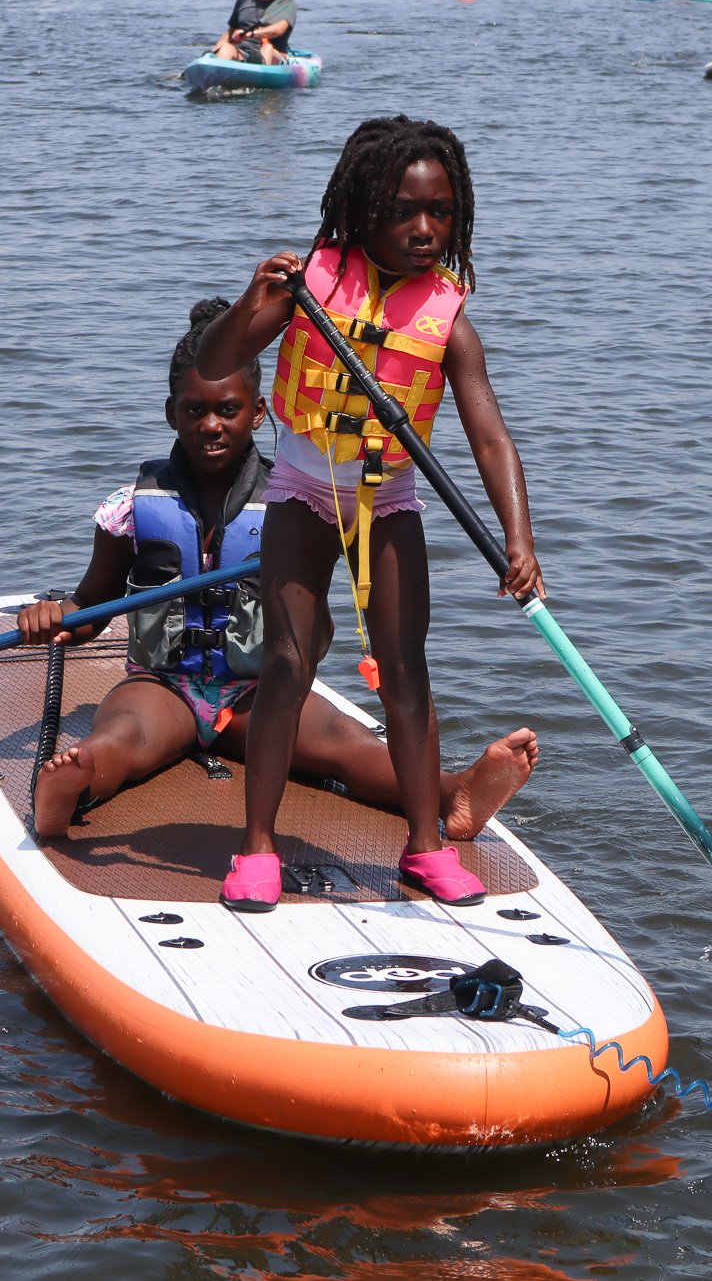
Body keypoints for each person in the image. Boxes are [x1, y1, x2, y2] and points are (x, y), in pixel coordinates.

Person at [17, 298, 542, 887]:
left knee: (345, 745)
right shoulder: (130, 508)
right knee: (124, 737)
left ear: (260, 411)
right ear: (170, 414)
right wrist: (54, 615)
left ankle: (454, 795)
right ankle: (72, 784)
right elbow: (92, 605)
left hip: (259, 692)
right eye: (194, 411)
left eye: (228, 410)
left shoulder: (293, 507)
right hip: (162, 684)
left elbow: (317, 630)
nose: (210, 424)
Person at [195, 116, 545, 913]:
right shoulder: (308, 285)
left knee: (407, 668)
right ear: (361, 211)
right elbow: (217, 365)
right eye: (403, 211)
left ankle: (425, 847)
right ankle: (256, 847)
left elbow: (490, 437)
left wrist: (520, 541)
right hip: (302, 494)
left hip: (387, 498)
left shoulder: (448, 318)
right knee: (287, 663)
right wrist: (255, 299)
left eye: (443, 212)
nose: (425, 229)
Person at [208, 0, 295, 67]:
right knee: (226, 48)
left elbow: (278, 30)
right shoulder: (243, 1)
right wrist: (214, 51)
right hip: (243, 52)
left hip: (273, 55)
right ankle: (216, 77)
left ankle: (260, 75)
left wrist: (250, 34)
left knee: (267, 48)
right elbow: (231, 31)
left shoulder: (286, 3)